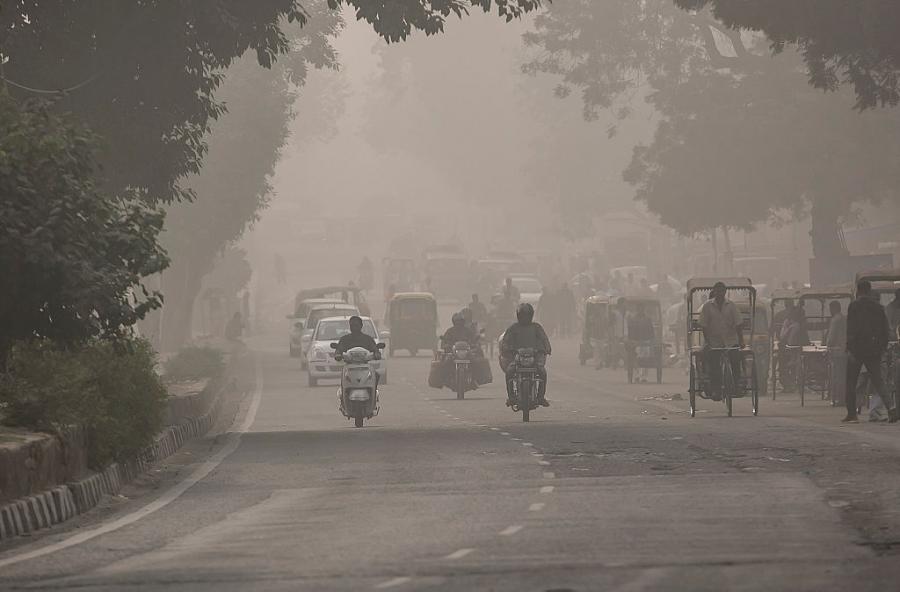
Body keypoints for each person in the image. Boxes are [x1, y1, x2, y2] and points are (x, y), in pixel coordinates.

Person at [843, 280, 892, 423]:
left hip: (857, 350)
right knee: (879, 381)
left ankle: (852, 414)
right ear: (869, 290)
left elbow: (851, 329)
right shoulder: (878, 307)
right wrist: (882, 348)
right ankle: (891, 409)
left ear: (858, 290)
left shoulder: (854, 306)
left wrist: (850, 347)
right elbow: (885, 330)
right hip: (874, 351)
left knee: (851, 382)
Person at [698, 282, 744, 400]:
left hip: (730, 340)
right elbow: (704, 326)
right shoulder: (707, 306)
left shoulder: (731, 306)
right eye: (718, 291)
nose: (720, 294)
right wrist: (708, 342)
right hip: (714, 342)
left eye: (722, 291)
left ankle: (737, 384)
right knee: (714, 365)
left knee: (735, 360)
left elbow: (738, 324)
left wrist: (741, 340)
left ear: (725, 292)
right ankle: (716, 389)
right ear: (714, 292)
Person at [500, 303, 552, 406]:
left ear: (531, 315)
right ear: (519, 315)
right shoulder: (513, 328)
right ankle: (511, 397)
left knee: (542, 372)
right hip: (517, 359)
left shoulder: (536, 327)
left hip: (534, 358)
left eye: (527, 315)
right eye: (523, 315)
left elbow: (544, 338)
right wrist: (507, 349)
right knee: (509, 372)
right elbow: (506, 340)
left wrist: (547, 348)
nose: (525, 318)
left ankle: (540, 397)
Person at [826, 300, 847, 405]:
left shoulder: (835, 320)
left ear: (834, 309)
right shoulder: (844, 318)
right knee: (844, 375)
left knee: (837, 376)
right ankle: (843, 397)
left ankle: (839, 398)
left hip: (837, 351)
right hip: (845, 351)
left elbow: (831, 337)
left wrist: (827, 345)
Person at [627, 303, 655, 382]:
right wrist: (631, 340)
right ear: (637, 310)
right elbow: (631, 331)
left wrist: (651, 340)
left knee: (645, 359)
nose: (640, 310)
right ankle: (638, 375)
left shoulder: (648, 319)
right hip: (636, 342)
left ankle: (644, 377)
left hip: (646, 342)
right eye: (639, 309)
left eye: (642, 309)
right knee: (637, 359)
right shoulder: (633, 319)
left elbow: (651, 330)